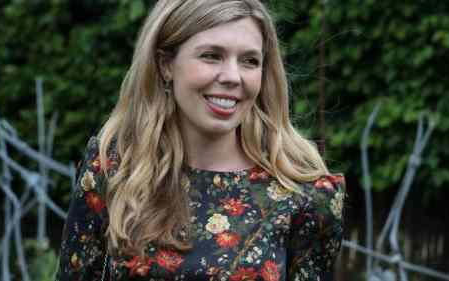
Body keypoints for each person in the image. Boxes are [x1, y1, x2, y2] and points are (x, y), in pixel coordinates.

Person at [56, 0, 346, 280]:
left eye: (249, 61)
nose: (233, 76)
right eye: (211, 55)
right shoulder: (116, 169)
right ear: (165, 64)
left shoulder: (303, 194)